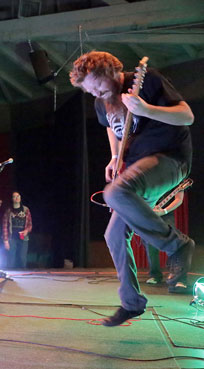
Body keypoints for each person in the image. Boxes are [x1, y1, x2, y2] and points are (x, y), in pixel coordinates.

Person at [69, 51, 195, 326]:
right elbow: (110, 129)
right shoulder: (102, 102)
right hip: (139, 166)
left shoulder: (147, 81)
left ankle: (177, 245)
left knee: (113, 192)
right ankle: (132, 302)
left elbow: (187, 116)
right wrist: (115, 156)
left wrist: (146, 110)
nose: (96, 93)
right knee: (113, 233)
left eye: (98, 86)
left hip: (170, 158)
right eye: (89, 91)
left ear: (112, 73)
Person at [144, 191, 185, 288]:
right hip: (150, 214)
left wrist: (164, 211)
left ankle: (177, 278)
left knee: (172, 245)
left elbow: (179, 199)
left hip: (166, 215)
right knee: (150, 244)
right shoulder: (149, 178)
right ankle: (155, 275)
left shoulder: (177, 178)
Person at [2, 192, 33, 268]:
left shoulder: (25, 209)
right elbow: (5, 225)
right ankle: (10, 275)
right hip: (12, 238)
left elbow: (30, 224)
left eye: (18, 196)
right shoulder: (9, 210)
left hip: (23, 237)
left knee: (22, 258)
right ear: (12, 199)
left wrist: (26, 231)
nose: (16, 198)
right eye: (14, 197)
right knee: (11, 258)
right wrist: (5, 241)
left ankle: (23, 276)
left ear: (20, 198)